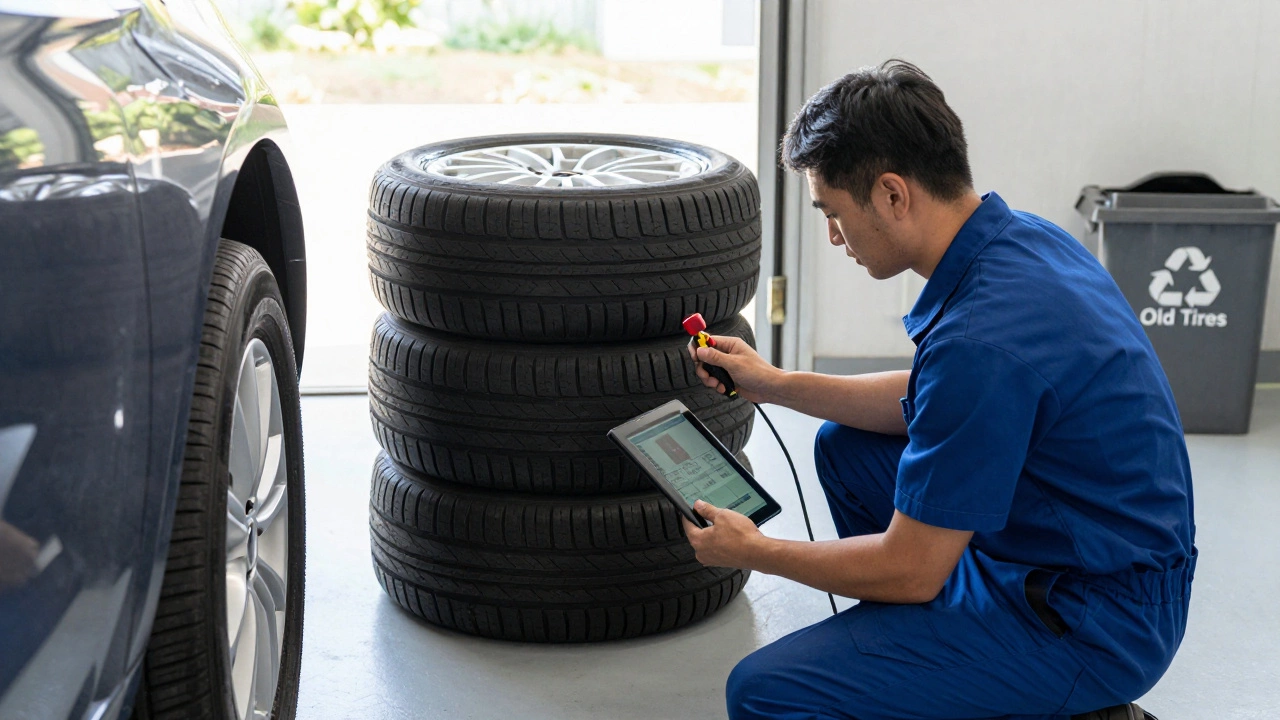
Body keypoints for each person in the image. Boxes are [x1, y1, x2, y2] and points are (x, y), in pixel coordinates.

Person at [684, 60, 1195, 720]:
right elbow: (936, 397)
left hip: (1097, 622)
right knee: (847, 449)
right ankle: (936, 670)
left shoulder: (982, 337)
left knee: (763, 691)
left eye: (834, 213)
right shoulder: (1025, 242)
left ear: (894, 195)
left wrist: (757, 553)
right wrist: (775, 385)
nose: (834, 236)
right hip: (1090, 557)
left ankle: (1067, 700)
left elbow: (912, 568)